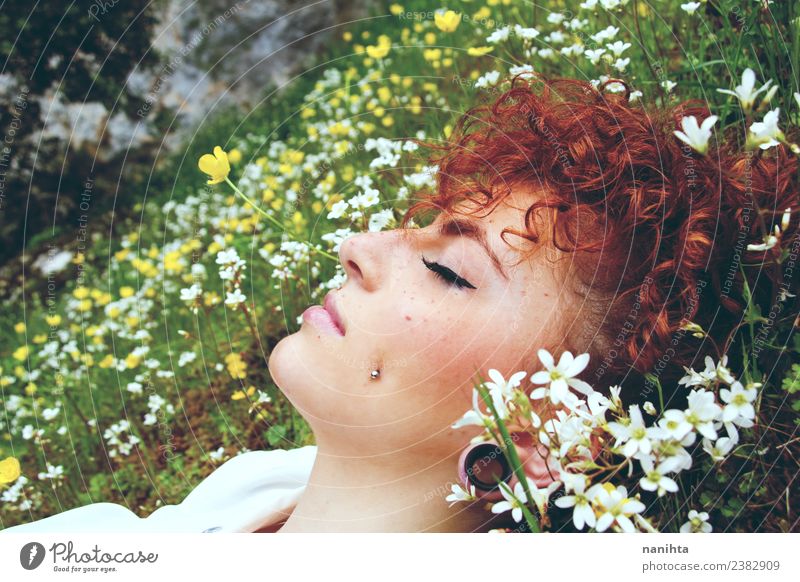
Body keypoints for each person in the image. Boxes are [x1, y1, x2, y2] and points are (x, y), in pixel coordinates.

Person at [3, 73, 795, 533]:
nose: (355, 243)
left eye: (450, 271)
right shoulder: (230, 494)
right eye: (414, 234)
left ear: (542, 447)